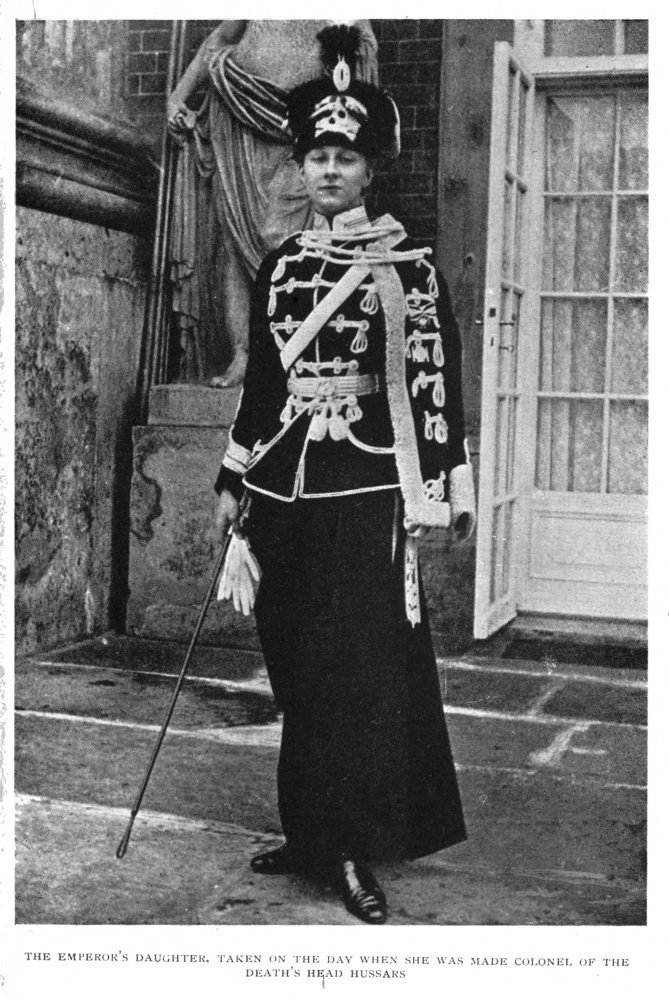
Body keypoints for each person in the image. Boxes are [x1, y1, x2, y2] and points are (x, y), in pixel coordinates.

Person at [212, 26, 476, 925]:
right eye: (317, 156)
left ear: (368, 172)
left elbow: (435, 385)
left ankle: (355, 846)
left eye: (344, 158)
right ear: (302, 167)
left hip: (364, 492)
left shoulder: (408, 267)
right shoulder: (282, 264)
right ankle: (309, 833)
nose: (328, 170)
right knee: (294, 668)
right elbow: (263, 385)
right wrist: (231, 481)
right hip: (282, 491)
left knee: (355, 674)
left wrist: (443, 487)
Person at [166, 20, 378, 386]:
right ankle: (242, 355)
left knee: (293, 241)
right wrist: (178, 97)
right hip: (238, 113)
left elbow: (363, 51)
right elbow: (220, 38)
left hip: (303, 130)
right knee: (236, 243)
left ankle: (294, 351)